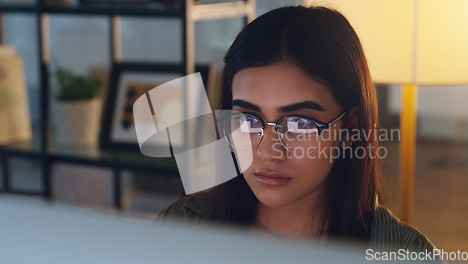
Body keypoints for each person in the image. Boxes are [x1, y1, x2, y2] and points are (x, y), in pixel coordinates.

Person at [156, 5, 440, 258]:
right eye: (247, 119)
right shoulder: (178, 228)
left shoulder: (404, 253)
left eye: (299, 123)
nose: (268, 151)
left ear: (350, 127)